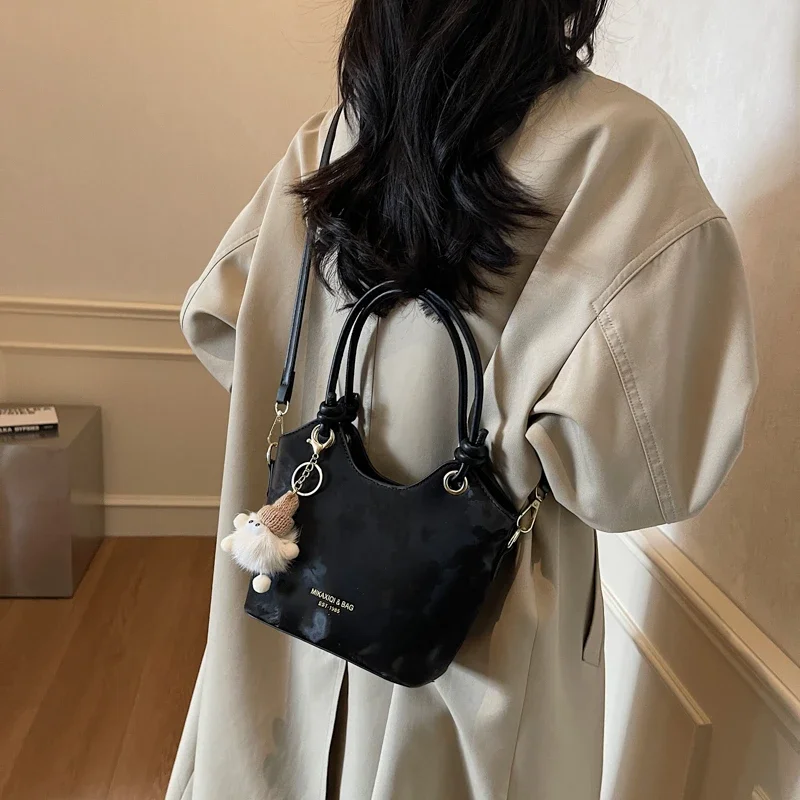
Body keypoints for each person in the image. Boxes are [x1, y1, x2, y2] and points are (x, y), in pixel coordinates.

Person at [167, 0, 757, 797]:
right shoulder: (619, 150)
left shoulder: (334, 139)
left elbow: (219, 326)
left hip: (294, 584)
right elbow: (640, 478)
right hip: (469, 648)